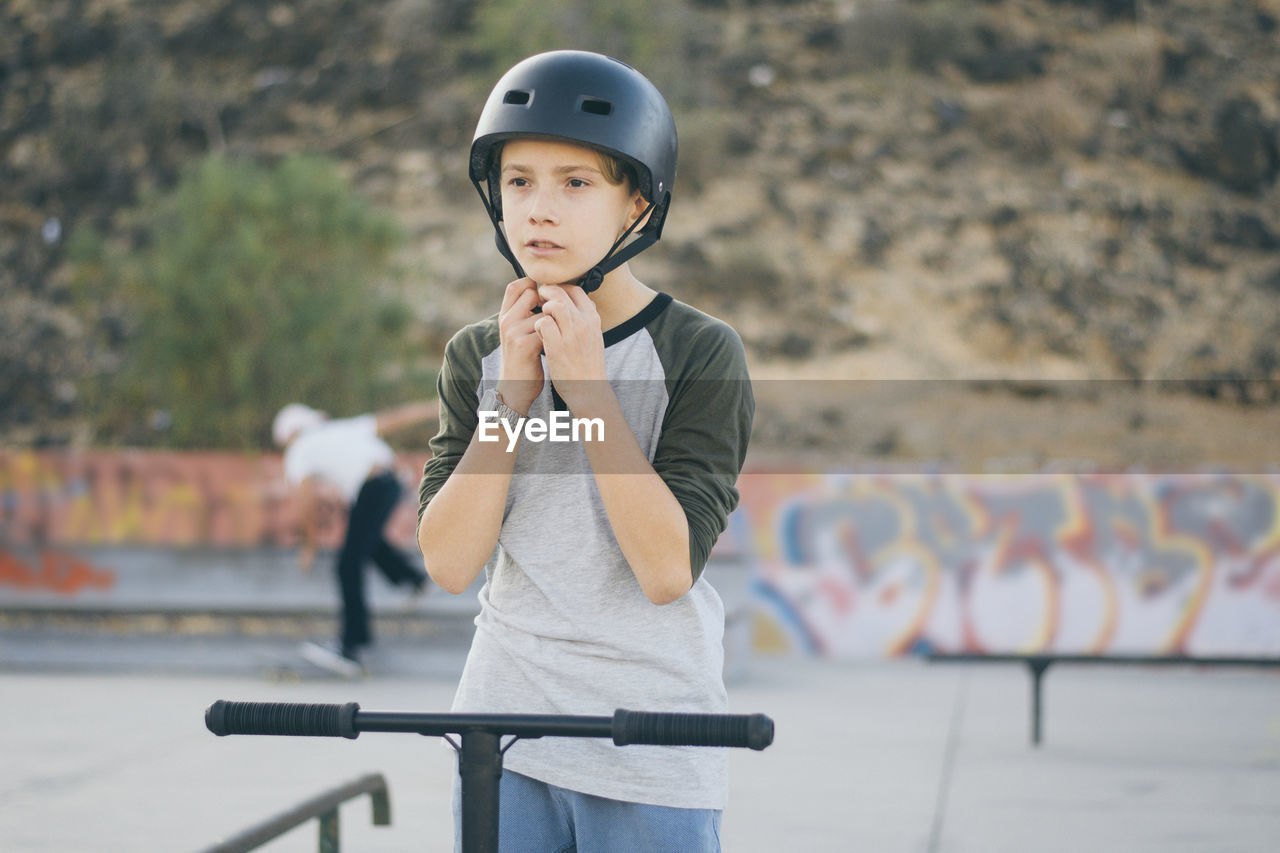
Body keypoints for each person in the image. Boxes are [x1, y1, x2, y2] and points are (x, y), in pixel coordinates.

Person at [416, 51, 754, 850]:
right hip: (501, 736)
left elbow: (667, 569)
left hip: (647, 745)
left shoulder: (699, 351)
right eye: (520, 181)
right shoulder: (477, 354)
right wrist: (511, 399)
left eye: (576, 183)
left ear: (637, 203)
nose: (539, 209)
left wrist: (593, 393)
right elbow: (450, 561)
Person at [273, 400, 436, 677]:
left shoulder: (298, 450)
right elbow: (395, 416)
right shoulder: (340, 428)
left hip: (372, 488)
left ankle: (352, 648)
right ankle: (413, 580)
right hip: (391, 482)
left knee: (347, 564)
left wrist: (309, 547)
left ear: (288, 436)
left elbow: (306, 498)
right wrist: (435, 406)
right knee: (364, 542)